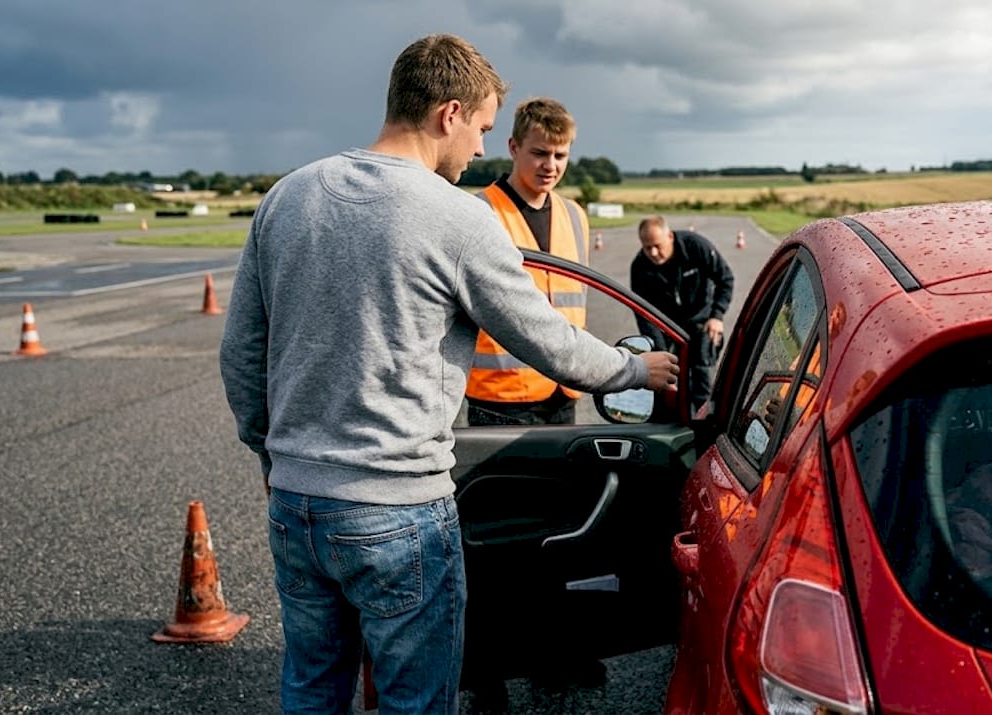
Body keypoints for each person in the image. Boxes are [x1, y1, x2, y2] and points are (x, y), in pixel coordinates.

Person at [218, 34, 679, 715]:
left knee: (313, 685)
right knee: (416, 699)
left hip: (295, 506)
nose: (482, 150)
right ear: (448, 114)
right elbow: (547, 340)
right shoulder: (457, 217)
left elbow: (241, 355)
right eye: (484, 129)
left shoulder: (288, 197)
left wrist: (269, 451)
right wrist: (635, 367)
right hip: (398, 509)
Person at [465, 97, 588, 427]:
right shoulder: (480, 214)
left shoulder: (576, 216)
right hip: (502, 399)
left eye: (560, 155)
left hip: (564, 390)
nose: (551, 165)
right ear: (514, 147)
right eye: (539, 153)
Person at [631, 216, 735, 415]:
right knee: (665, 380)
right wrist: (659, 352)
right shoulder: (640, 267)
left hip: (701, 322)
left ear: (669, 236)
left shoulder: (696, 246)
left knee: (701, 378)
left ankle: (703, 425)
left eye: (657, 245)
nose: (652, 253)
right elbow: (643, 314)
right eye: (647, 247)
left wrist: (717, 316)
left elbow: (725, 279)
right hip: (667, 326)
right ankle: (673, 425)